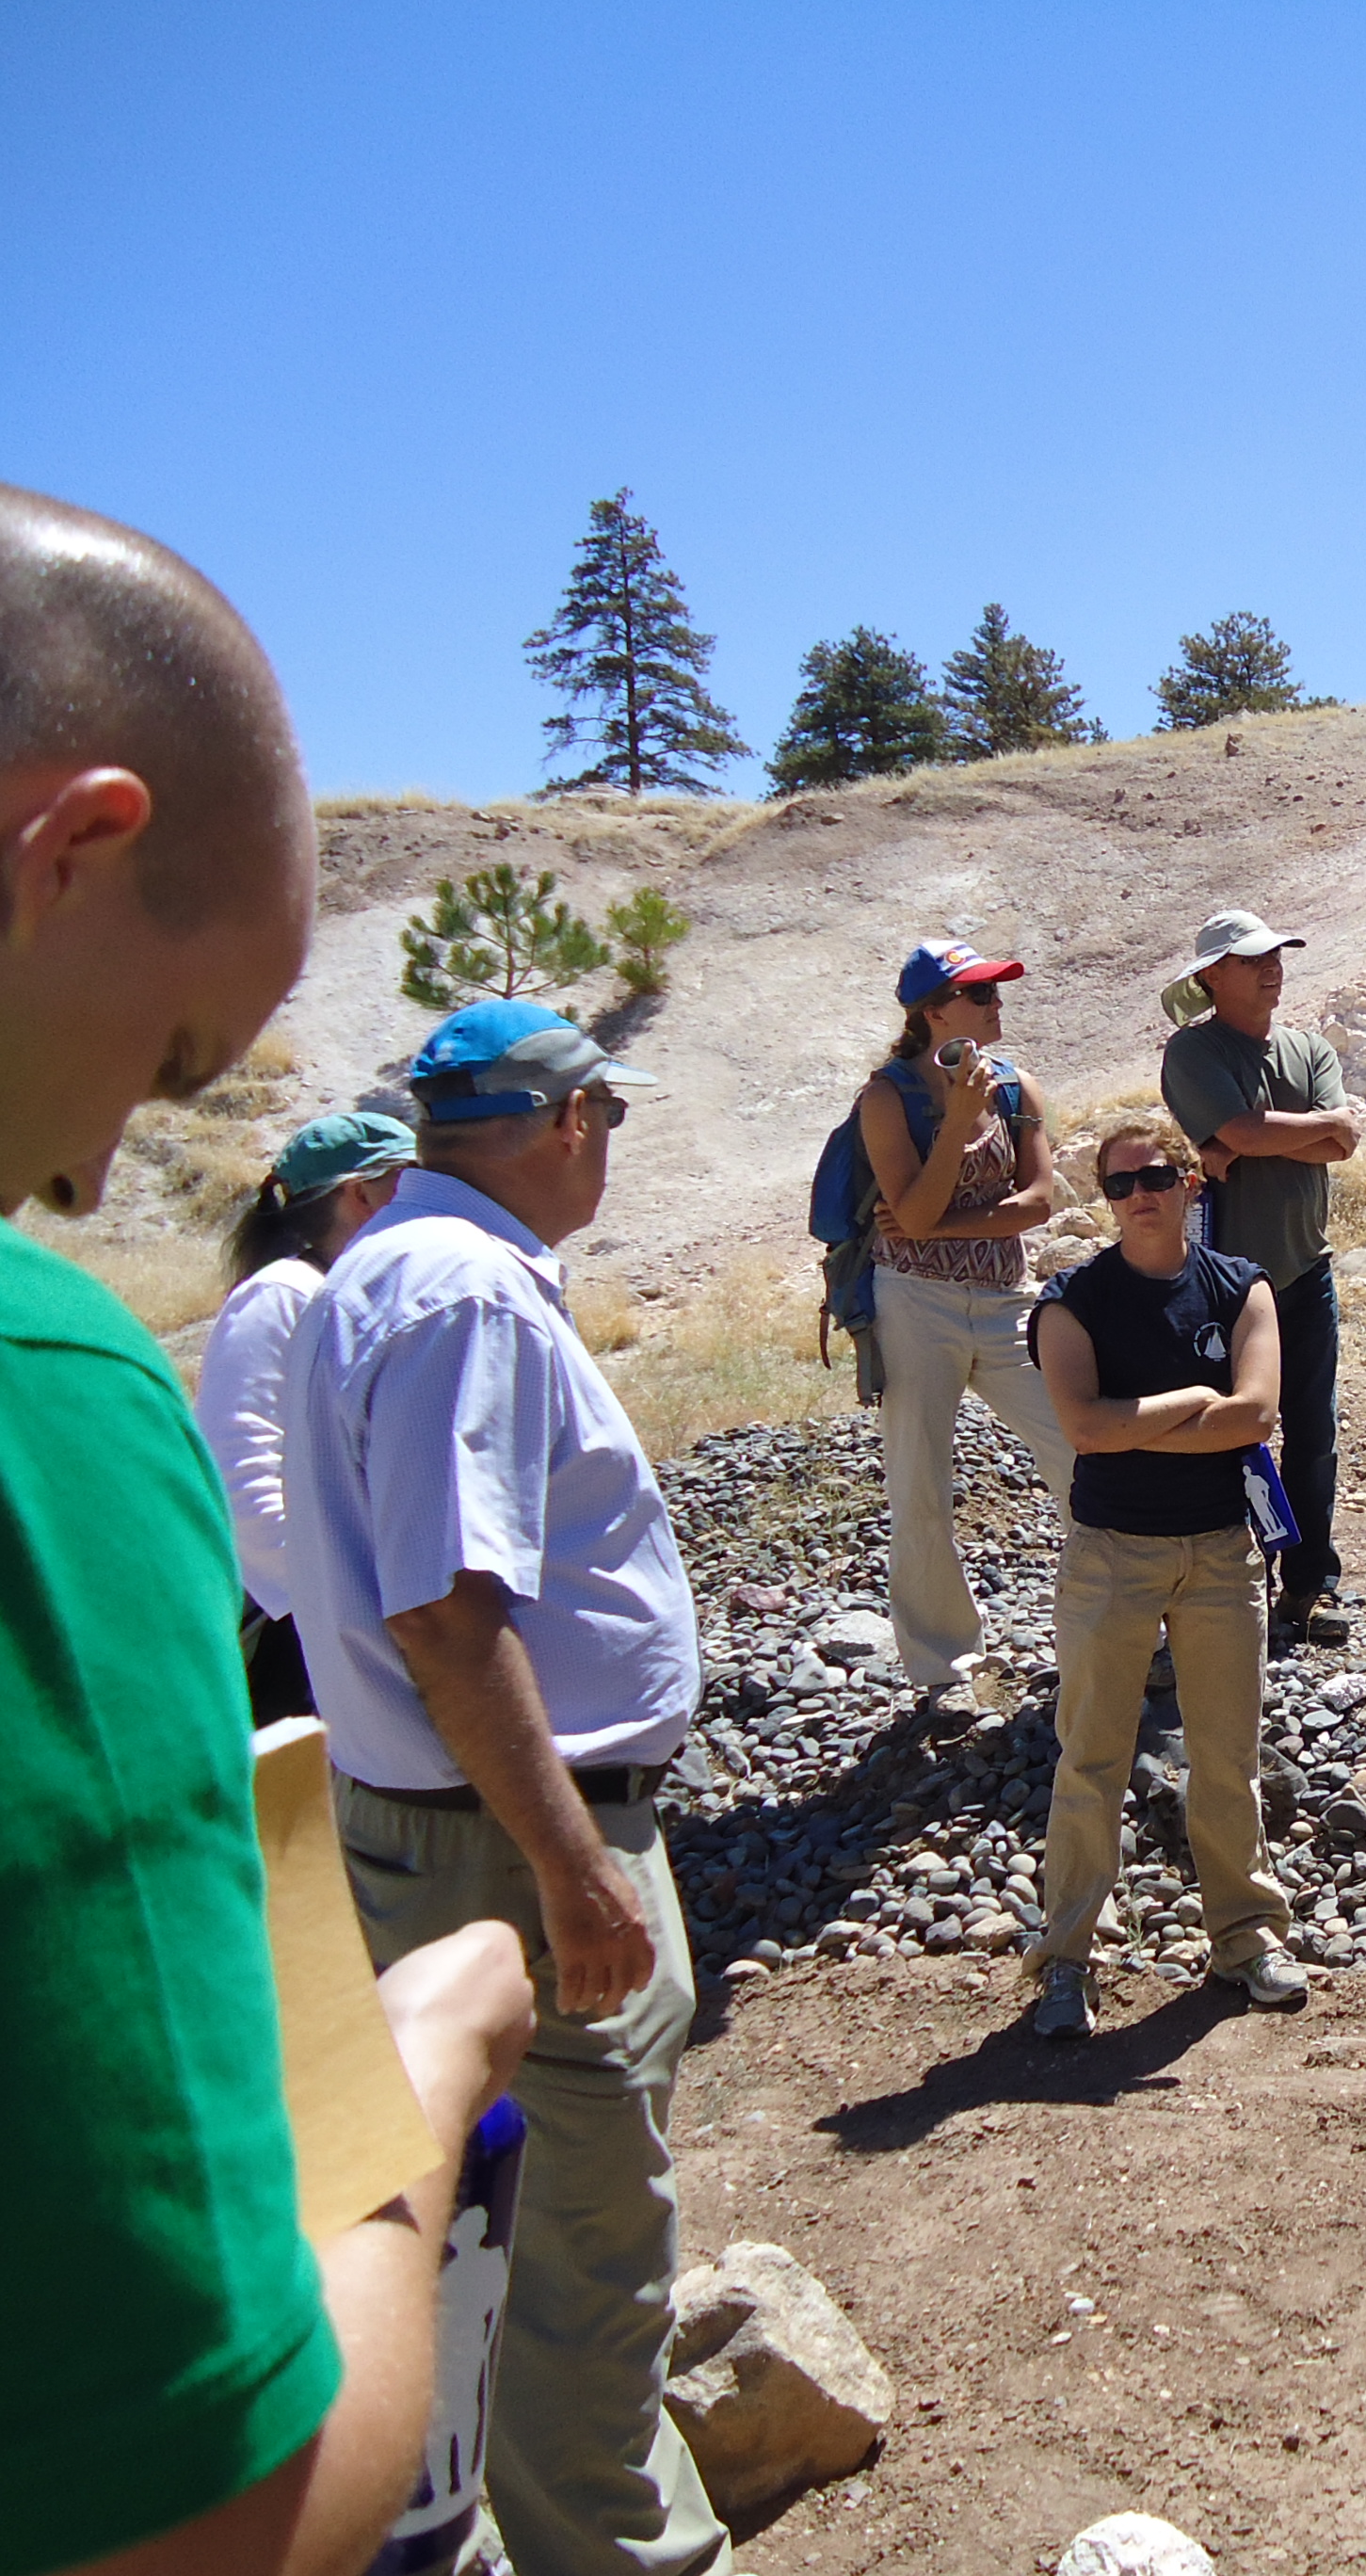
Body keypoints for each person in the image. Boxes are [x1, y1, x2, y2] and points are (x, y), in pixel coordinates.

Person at [0, 484, 533, 2576]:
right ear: (72, 847)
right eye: (164, 1051)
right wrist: (408, 2094)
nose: (86, 1165)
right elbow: (219, 2509)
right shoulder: (45, 1408)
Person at [287, 1000, 734, 2576]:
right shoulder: (467, 1295)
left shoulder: (384, 1269)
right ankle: (615, 2552)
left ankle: (504, 2520)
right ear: (564, 1120)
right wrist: (573, 1867)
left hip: (459, 1826)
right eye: (605, 1121)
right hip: (510, 1843)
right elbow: (445, 1612)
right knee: (583, 2254)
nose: (609, 1150)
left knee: (489, 2234)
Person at [1022, 1117, 1304, 2037]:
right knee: (1091, 1759)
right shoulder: (1072, 1300)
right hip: (1114, 1554)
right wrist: (1192, 1403)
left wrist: (1143, 1414)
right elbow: (1087, 1429)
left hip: (1222, 1551)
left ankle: (1248, 1936)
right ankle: (1066, 1960)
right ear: (1103, 1198)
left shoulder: (1241, 1286)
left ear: (1189, 1182)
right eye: (1117, 1183)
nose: (1137, 1194)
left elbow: (1257, 1412)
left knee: (1225, 1759)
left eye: (1153, 1176)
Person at [860, 937, 1073, 1707]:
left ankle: (1112, 1616)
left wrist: (938, 1225)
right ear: (933, 1012)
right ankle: (942, 1665)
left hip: (1008, 1298)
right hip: (914, 1304)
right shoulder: (885, 1097)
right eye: (980, 994)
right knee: (920, 1479)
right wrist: (956, 1121)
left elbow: (1040, 1202)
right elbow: (913, 1211)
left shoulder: (1018, 1086)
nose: (995, 1005)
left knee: (1080, 1446)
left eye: (995, 992)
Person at [1160, 908, 1358, 1654]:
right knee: (1227, 1432)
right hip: (1227, 1283)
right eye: (1250, 959)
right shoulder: (1192, 1052)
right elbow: (1249, 1135)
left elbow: (1337, 1146)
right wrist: (1310, 1127)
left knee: (1313, 1435)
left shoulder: (1307, 1047)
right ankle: (1217, 1584)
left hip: (1307, 1272)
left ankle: (1308, 1584)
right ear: (1211, 976)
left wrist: (1267, 1133)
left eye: (1275, 954)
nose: (1271, 967)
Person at [195, 1111, 414, 1721]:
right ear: (361, 1193)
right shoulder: (283, 1294)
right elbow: (240, 1470)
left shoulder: (348, 1292)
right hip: (298, 1634)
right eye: (408, 1177)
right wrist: (337, 1613)